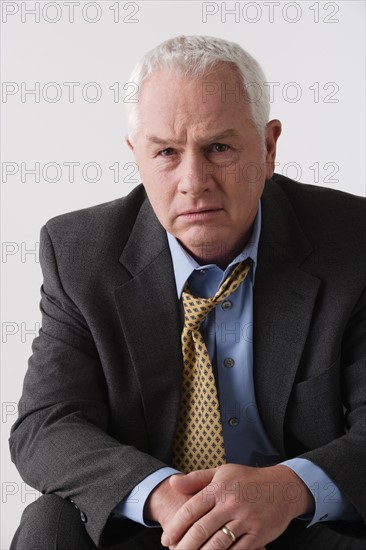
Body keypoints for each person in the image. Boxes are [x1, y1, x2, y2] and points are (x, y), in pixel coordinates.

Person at [9, 35, 366, 550]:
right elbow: (47, 425)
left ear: (268, 148)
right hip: (154, 525)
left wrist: (289, 489)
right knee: (49, 522)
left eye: (219, 147)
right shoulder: (78, 253)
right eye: (167, 153)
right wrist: (159, 493)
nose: (193, 181)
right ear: (136, 155)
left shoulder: (352, 242)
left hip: (302, 522)